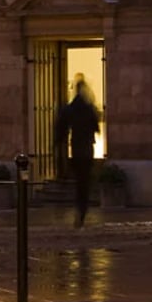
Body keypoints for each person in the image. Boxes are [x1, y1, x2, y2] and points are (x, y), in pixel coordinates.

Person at [55, 75, 100, 228]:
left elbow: (62, 128)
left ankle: (80, 210)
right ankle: (82, 209)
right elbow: (96, 127)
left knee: (79, 181)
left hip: (76, 148)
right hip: (87, 148)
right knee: (84, 182)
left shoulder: (71, 108)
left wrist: (58, 144)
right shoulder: (88, 108)